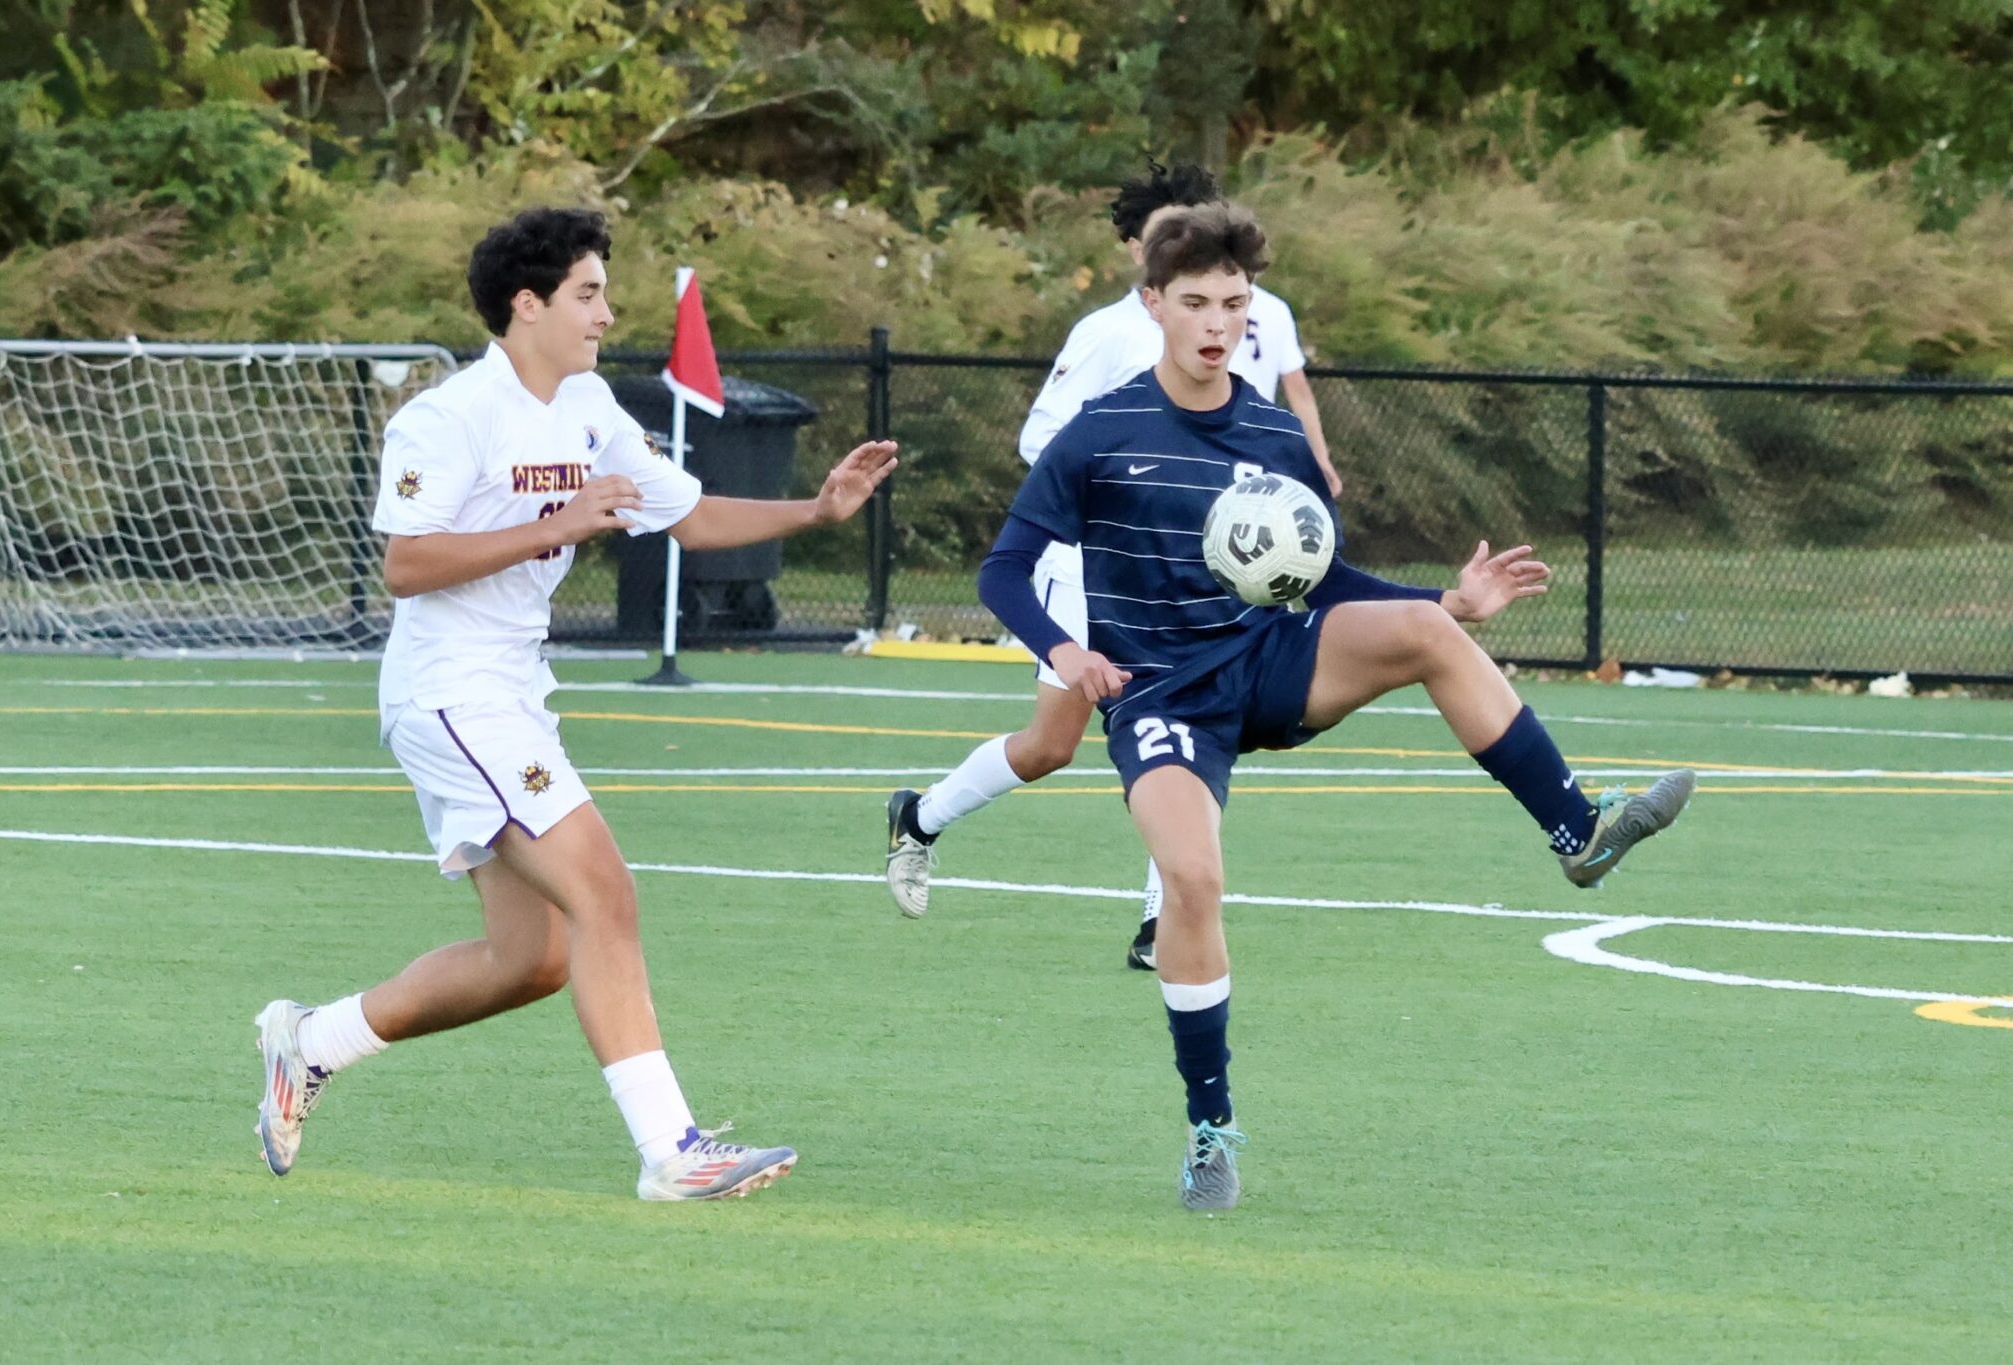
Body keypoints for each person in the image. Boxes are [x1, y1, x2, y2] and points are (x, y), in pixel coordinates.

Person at [974, 203, 1694, 1211]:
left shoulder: (1273, 433)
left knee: (1431, 638)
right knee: (1188, 880)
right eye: (1194, 303)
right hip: (1160, 696)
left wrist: (1447, 602)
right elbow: (1002, 570)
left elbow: (1321, 575)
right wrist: (1064, 651)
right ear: (1152, 306)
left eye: (1234, 303)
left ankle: (1576, 832)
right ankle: (1210, 1129)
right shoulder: (1098, 435)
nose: (1217, 323)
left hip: (1270, 660)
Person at [253, 207, 897, 1202]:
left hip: (510, 690)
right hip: (449, 693)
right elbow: (406, 564)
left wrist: (814, 510)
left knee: (534, 958)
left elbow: (682, 514)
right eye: (588, 294)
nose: (605, 314)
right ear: (528, 304)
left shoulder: (591, 405)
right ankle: (672, 1154)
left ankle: (313, 1042)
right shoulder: (448, 417)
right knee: (605, 893)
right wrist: (555, 521)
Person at [884, 161, 1343, 978]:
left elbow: (1280, 406)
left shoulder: (1259, 310)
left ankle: (1160, 916)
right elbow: (1046, 443)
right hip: (1102, 564)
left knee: (1202, 711)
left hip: (1218, 564)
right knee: (1050, 744)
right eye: (1167, 240)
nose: (1206, 298)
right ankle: (919, 816)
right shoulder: (1109, 332)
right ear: (1141, 256)